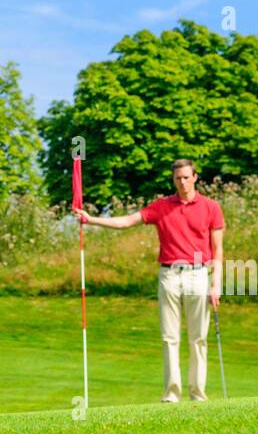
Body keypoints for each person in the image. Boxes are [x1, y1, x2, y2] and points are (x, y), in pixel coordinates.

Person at [74, 159, 224, 403]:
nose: (182, 182)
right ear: (173, 180)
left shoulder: (211, 207)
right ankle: (171, 395)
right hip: (169, 276)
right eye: (178, 178)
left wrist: (216, 284)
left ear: (195, 177)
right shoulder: (162, 206)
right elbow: (126, 222)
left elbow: (217, 250)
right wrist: (91, 220)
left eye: (186, 177)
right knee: (169, 337)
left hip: (199, 275)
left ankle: (197, 394)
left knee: (198, 338)